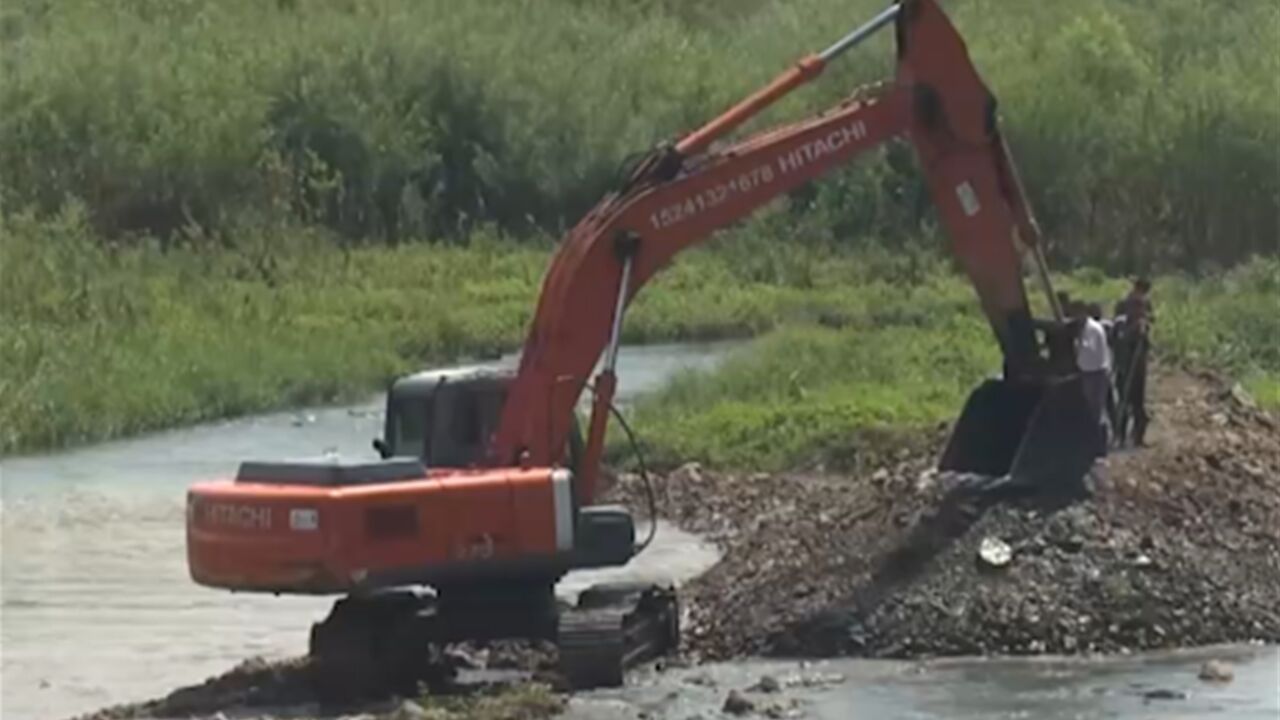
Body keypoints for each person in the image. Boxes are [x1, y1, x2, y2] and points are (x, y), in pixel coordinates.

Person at [1113, 278, 1155, 446]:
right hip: (1125, 358)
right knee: (1124, 398)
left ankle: (1137, 437)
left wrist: (1145, 325)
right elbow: (1117, 331)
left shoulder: (1145, 305)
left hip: (1138, 358)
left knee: (1137, 400)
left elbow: (1151, 321)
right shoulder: (1123, 306)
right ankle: (1121, 436)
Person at [1072, 301, 1111, 456]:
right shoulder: (1089, 328)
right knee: (1092, 409)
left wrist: (1076, 343)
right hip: (1090, 371)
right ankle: (1094, 445)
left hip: (1095, 373)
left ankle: (1099, 447)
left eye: (1076, 314)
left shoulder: (1091, 329)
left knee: (1095, 410)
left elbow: (1088, 348)